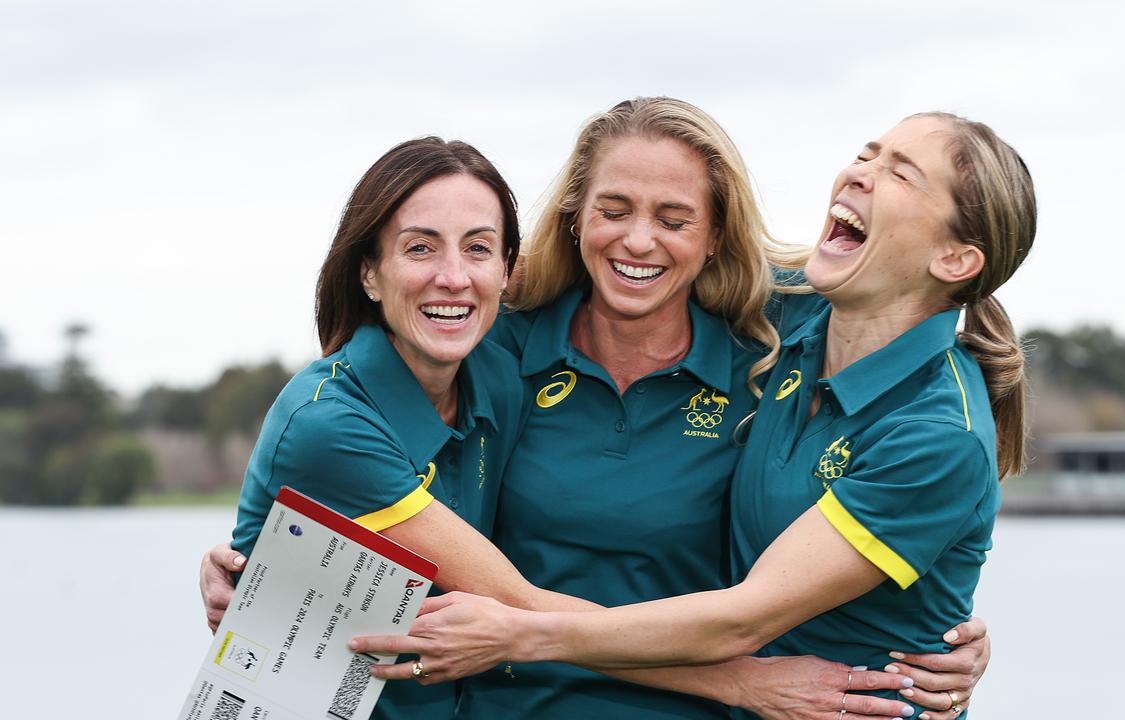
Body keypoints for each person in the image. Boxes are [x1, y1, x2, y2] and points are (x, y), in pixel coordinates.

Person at [203, 99, 992, 719]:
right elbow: (495, 599)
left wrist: (934, 630)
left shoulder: (774, 338)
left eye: (675, 218)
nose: (640, 240)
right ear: (576, 217)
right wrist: (742, 683)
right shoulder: (495, 348)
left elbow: (913, 313)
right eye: (614, 209)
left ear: (715, 236)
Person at [224, 137, 530, 720]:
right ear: (369, 272)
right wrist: (728, 681)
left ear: (507, 269)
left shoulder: (497, 373)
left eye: (478, 249)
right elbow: (524, 609)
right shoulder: (328, 426)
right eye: (420, 248)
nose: (453, 276)